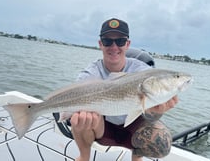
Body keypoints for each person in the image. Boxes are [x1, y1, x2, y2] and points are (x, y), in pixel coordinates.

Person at [70, 18, 178, 161]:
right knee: (80, 119)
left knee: (162, 143)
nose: (114, 47)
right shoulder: (90, 74)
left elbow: (149, 117)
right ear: (100, 44)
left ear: (127, 44)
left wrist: (157, 111)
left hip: (133, 129)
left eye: (120, 41)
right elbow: (75, 95)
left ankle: (136, 158)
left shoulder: (142, 71)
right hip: (102, 129)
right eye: (108, 41)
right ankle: (84, 157)